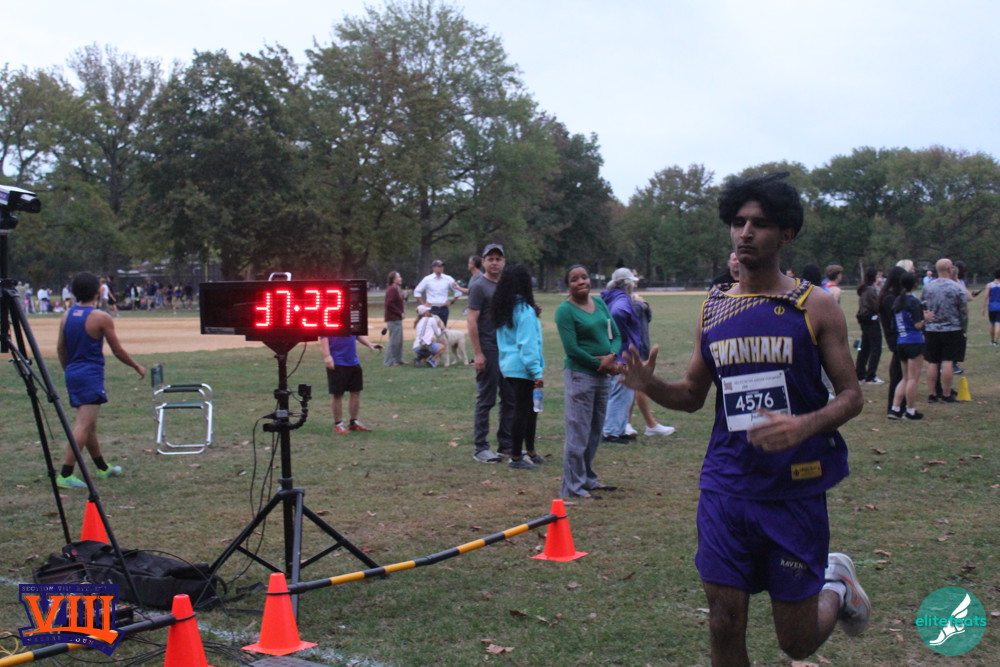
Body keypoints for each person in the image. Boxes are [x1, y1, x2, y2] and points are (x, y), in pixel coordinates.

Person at [620, 173, 868, 665]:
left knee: (795, 642)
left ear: (786, 233)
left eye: (759, 223)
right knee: (723, 620)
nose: (745, 233)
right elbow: (692, 395)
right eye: (738, 222)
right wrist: (650, 385)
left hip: (793, 490)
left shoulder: (814, 305)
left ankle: (836, 584)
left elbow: (852, 396)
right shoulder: (713, 308)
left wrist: (803, 425)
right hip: (726, 485)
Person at [55, 272, 146, 488]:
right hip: (90, 374)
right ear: (98, 291)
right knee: (83, 425)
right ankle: (66, 474)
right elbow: (117, 350)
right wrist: (136, 365)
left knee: (89, 425)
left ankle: (102, 467)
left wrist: (69, 369)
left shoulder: (67, 315)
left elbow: (60, 348)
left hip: (73, 371)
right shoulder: (100, 317)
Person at [555, 264, 622, 499]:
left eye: (584, 277)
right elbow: (572, 349)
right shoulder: (565, 311)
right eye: (574, 279)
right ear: (568, 285)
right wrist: (598, 364)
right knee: (578, 432)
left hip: (603, 375)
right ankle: (572, 486)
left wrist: (611, 356)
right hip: (580, 376)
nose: (581, 282)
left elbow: (616, 335)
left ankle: (587, 479)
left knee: (594, 430)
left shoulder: (600, 303)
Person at [492, 263, 545, 470]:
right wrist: (537, 372)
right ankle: (516, 457)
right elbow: (527, 345)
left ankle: (530, 451)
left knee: (530, 409)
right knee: (523, 411)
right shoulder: (524, 311)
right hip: (523, 368)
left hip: (509, 366)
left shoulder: (505, 309)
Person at [467, 243, 515, 463]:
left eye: (498, 259)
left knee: (510, 398)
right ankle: (481, 448)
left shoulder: (506, 285)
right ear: (483, 262)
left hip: (507, 350)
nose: (494, 263)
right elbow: (472, 320)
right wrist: (478, 353)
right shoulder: (479, 286)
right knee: (486, 399)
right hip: (488, 348)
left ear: (504, 262)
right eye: (490, 259)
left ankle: (506, 445)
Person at [626, 277, 675, 438]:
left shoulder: (634, 298)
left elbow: (647, 316)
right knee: (636, 385)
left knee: (637, 385)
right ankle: (642, 424)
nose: (636, 281)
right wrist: (642, 304)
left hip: (638, 346)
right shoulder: (626, 300)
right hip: (631, 348)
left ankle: (634, 423)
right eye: (632, 279)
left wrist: (643, 304)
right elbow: (633, 316)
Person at [600, 268, 642, 442]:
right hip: (623, 354)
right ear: (628, 284)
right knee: (621, 392)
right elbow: (617, 313)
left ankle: (620, 428)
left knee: (624, 392)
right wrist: (622, 338)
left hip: (616, 351)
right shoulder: (622, 300)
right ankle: (611, 431)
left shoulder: (610, 296)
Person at [922, 258, 967, 403]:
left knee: (932, 362)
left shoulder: (928, 286)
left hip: (931, 329)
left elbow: (923, 305)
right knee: (948, 361)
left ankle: (932, 393)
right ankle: (947, 394)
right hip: (952, 328)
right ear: (949, 269)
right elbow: (963, 310)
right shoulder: (956, 287)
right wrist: (964, 327)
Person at [322, 334, 382, 433]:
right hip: (337, 362)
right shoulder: (330, 324)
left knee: (355, 392)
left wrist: (369, 344)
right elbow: (323, 336)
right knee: (338, 394)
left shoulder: (351, 324)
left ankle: (353, 422)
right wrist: (327, 356)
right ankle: (338, 424)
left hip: (353, 362)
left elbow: (356, 334)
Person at [888, 272, 926, 420]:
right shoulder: (914, 302)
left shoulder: (897, 300)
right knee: (912, 379)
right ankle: (910, 411)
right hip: (914, 341)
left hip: (901, 341)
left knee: (904, 378)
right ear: (915, 284)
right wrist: (926, 319)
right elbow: (917, 325)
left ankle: (895, 409)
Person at [878, 265, 909, 417]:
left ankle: (898, 405)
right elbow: (894, 319)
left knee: (899, 371)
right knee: (898, 373)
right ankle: (895, 407)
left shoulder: (888, 296)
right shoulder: (890, 298)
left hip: (896, 337)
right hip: (896, 338)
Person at [413, 259, 467, 326]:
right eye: (439, 266)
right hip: (432, 309)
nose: (441, 268)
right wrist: (423, 304)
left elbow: (458, 291)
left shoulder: (448, 278)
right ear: (433, 268)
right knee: (431, 329)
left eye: (442, 266)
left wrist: (451, 302)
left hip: (443, 309)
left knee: (442, 329)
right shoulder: (427, 279)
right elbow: (417, 292)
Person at [854, 266, 883, 384]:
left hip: (864, 320)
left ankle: (860, 373)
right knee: (876, 348)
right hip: (871, 320)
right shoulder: (870, 290)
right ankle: (871, 376)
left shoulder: (864, 289)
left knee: (864, 347)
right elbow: (876, 306)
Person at [383, 271, 407, 366]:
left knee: (399, 340)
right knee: (394, 340)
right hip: (393, 318)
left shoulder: (396, 288)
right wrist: (399, 312)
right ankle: (389, 361)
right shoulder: (392, 289)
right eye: (398, 277)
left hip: (396, 318)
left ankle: (398, 359)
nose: (400, 278)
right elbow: (389, 304)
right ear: (394, 279)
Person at [982, 268, 1000, 346]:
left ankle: (992, 341)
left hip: (991, 307)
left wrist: (983, 308)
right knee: (998, 323)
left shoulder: (989, 285)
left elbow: (986, 296)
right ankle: (995, 342)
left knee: (992, 324)